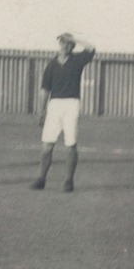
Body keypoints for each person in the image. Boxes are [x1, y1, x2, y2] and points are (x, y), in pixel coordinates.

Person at [31, 33, 95, 192]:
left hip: (71, 104)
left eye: (68, 44)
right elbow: (45, 89)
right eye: (62, 43)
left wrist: (75, 39)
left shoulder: (77, 60)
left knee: (70, 144)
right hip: (54, 105)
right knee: (47, 145)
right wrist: (41, 111)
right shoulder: (51, 64)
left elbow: (91, 48)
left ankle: (68, 181)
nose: (64, 46)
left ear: (72, 46)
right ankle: (41, 178)